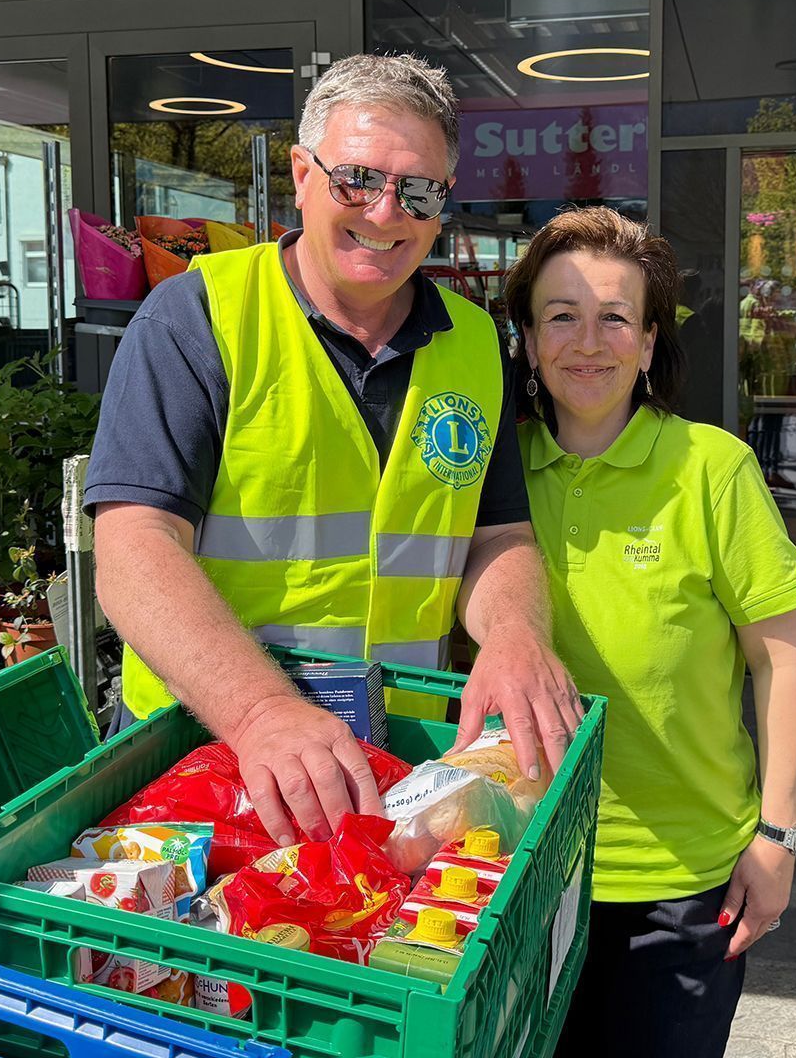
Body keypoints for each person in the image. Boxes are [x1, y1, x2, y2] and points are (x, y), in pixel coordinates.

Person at [87, 53, 579, 849]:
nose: (386, 213)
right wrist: (261, 711)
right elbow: (134, 550)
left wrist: (516, 633)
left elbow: (499, 533)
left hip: (395, 773)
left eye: (419, 191)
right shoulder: (195, 317)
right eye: (356, 179)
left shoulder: (476, 344)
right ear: (300, 173)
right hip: (208, 763)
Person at [503, 208, 796, 1058]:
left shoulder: (711, 468)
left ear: (649, 343)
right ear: (529, 341)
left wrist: (779, 836)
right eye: (560, 315)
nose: (587, 341)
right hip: (516, 870)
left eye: (615, 316)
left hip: (681, 882)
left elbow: (780, 659)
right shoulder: (496, 474)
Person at [738, 278, 796, 489]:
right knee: (765, 425)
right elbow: (755, 341)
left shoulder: (759, 308)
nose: (773, 304)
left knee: (768, 425)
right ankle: (763, 470)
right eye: (772, 298)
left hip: (771, 378)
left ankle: (768, 469)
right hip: (764, 378)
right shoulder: (753, 307)